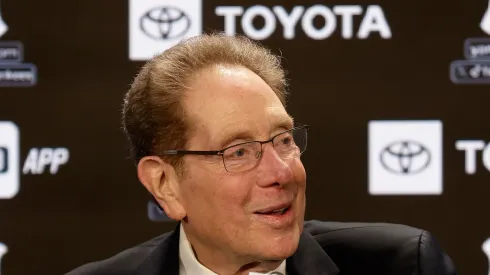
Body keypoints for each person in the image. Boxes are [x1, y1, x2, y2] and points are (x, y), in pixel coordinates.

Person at [66, 33, 457, 275]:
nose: (280, 173)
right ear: (165, 184)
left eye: (283, 140)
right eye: (238, 152)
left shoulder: (403, 265)